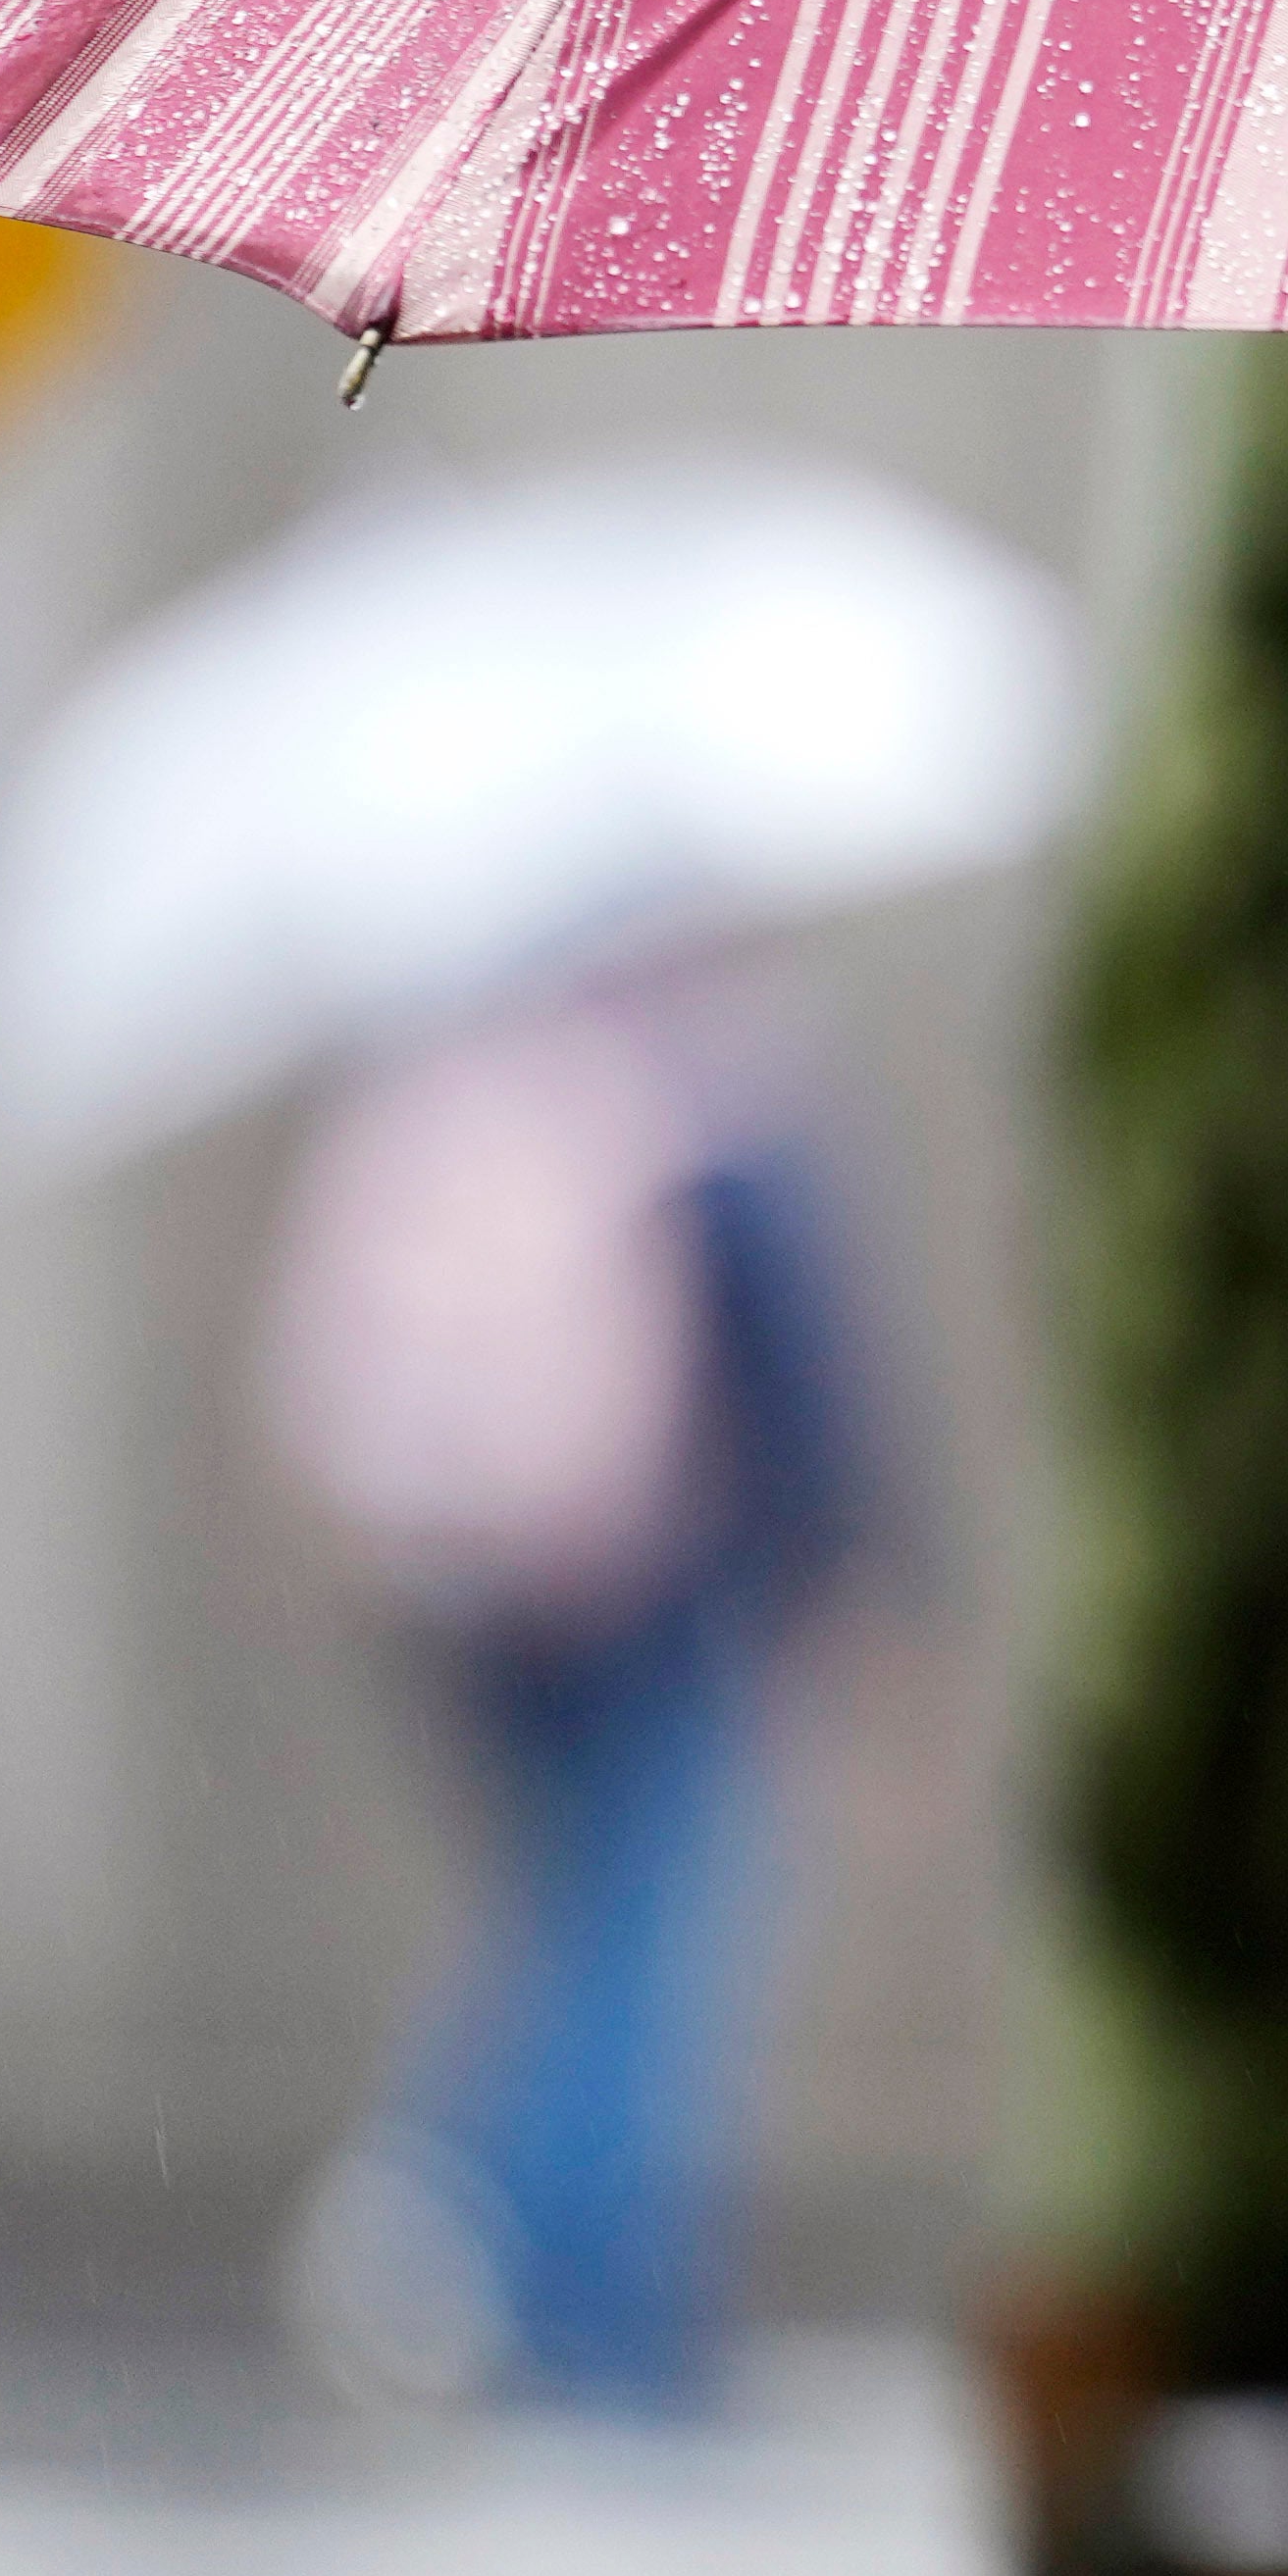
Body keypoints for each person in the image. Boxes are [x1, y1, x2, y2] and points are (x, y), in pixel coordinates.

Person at [260, 967, 876, 2413]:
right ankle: (531, 2256)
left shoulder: (442, 1078)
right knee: (644, 1941)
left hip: (468, 1589)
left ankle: (472, 2205)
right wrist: (846, 1585)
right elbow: (809, 1379)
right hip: (654, 1584)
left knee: (577, 1917)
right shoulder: (707, 1090)